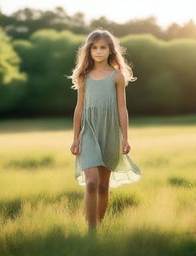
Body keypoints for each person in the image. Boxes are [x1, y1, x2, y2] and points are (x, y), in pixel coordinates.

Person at [68, 28, 141, 232]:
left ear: (111, 50)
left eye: (103, 47)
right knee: (91, 183)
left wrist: (125, 138)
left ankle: (99, 226)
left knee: (103, 186)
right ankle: (90, 231)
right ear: (88, 51)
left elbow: (121, 108)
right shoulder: (83, 76)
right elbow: (79, 108)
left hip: (110, 132)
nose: (98, 51)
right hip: (89, 131)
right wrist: (75, 138)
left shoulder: (117, 77)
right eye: (94, 48)